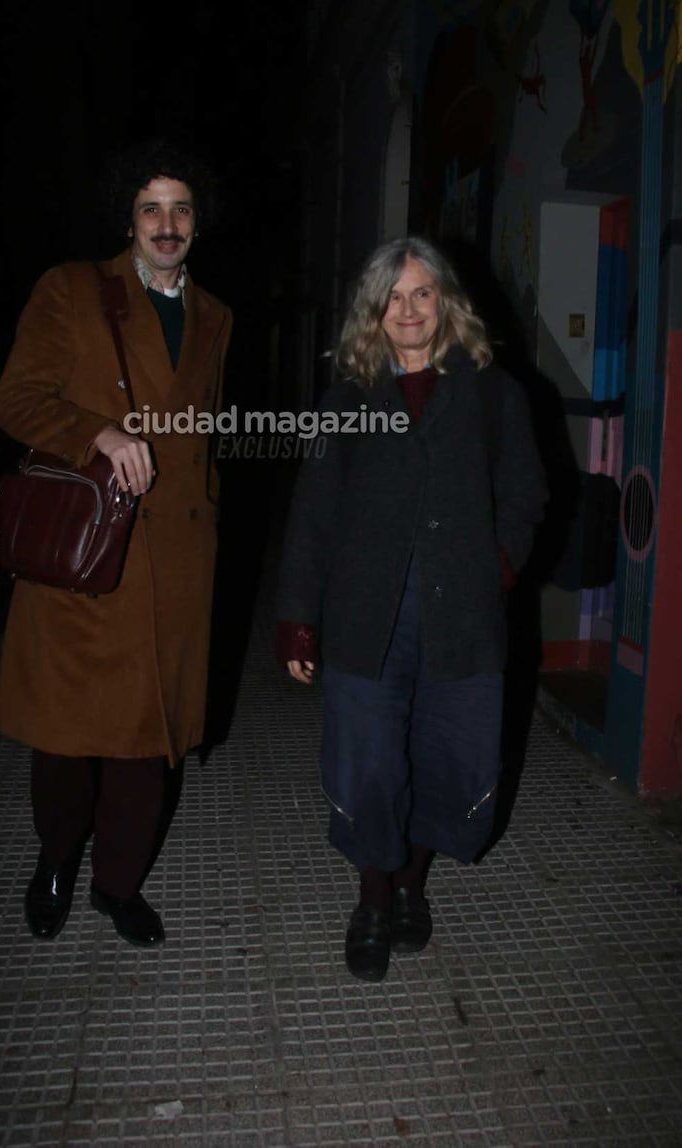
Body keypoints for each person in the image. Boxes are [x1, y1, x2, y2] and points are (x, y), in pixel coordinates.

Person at [276, 236, 547, 981]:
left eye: (421, 292)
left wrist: (494, 565)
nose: (407, 309)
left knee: (444, 757)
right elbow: (313, 515)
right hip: (367, 618)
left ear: (446, 301)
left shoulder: (494, 393)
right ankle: (370, 898)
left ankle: (409, 888)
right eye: (392, 296)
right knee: (366, 764)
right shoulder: (348, 398)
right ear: (373, 309)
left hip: (459, 618)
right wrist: (298, 617)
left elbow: (525, 493)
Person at [0, 139, 232, 947]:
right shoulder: (70, 290)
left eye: (181, 208)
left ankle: (117, 885)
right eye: (150, 207)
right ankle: (56, 859)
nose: (167, 224)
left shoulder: (216, 317)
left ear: (198, 222)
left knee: (144, 746)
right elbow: (15, 401)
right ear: (127, 218)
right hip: (90, 555)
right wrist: (96, 431)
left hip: (176, 561)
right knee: (67, 738)